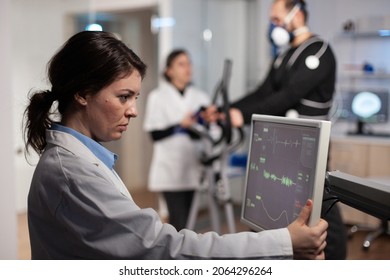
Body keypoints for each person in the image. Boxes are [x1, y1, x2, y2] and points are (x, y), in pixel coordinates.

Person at [23, 30, 327, 260]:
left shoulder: (81, 158)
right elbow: (165, 247)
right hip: (171, 170)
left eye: (135, 98)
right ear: (83, 93)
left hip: (189, 167)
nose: (133, 111)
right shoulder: (72, 174)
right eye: (123, 97)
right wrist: (284, 241)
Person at [204, 0, 347, 260]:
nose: (274, 25)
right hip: (282, 143)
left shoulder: (318, 51)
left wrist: (241, 115)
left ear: (298, 13)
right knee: (280, 204)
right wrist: (226, 109)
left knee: (319, 205)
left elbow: (289, 96)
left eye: (277, 18)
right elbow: (263, 92)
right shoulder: (283, 54)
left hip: (309, 144)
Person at [143, 49, 210, 231]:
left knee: (189, 221)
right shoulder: (157, 97)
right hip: (170, 170)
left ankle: (182, 254)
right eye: (181, 64)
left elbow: (207, 133)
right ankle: (175, 257)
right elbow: (155, 134)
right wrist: (181, 125)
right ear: (169, 70)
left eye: (189, 63)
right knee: (178, 221)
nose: (187, 68)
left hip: (192, 166)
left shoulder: (201, 97)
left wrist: (202, 123)